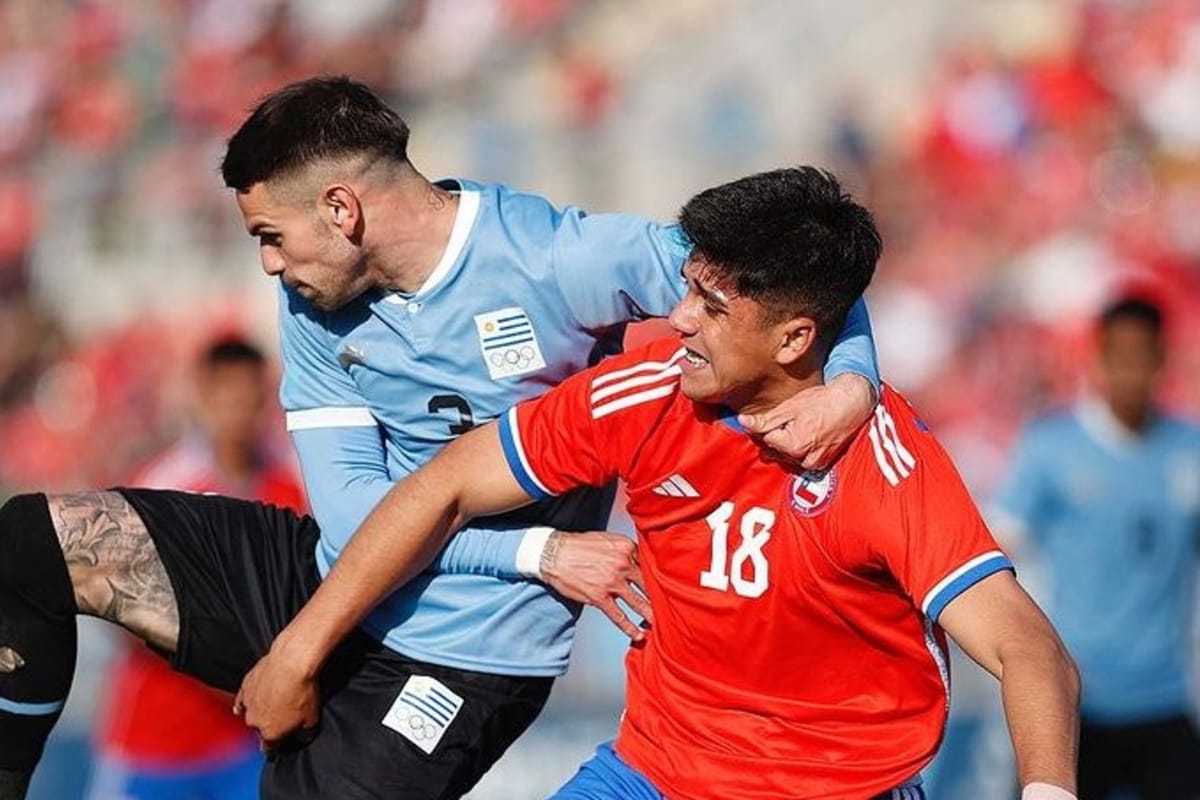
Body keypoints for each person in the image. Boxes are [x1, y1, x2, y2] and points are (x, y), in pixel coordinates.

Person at [0, 76, 882, 800]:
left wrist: (853, 384)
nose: (268, 264)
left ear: (342, 209)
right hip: (339, 580)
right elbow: (349, 519)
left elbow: (800, 268)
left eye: (272, 237)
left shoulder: (553, 261)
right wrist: (535, 551)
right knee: (36, 542)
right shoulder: (314, 304)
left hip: (468, 650)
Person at [234, 167, 1081, 800]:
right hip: (655, 773)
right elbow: (441, 486)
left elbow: (1028, 650)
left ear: (793, 340)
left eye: (712, 307)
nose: (678, 319)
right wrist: (299, 650)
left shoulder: (884, 462)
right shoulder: (645, 392)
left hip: (838, 785)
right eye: (687, 291)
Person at [991, 296, 1200, 800]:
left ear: (1160, 361)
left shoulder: (1189, 450)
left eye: (1142, 356)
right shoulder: (1052, 448)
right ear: (1100, 360)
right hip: (1075, 694)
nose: (1131, 371)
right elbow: (998, 549)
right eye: (1120, 356)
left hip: (1162, 692)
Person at [85, 336, 305, 800]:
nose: (238, 410)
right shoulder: (164, 486)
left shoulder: (290, 488)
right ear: (203, 394)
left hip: (245, 746)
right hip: (155, 743)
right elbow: (112, 601)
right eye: (227, 394)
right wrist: (215, 664)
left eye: (248, 395)